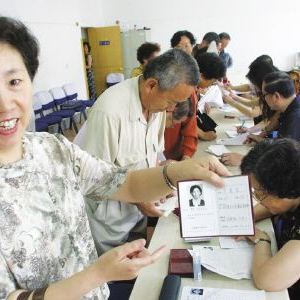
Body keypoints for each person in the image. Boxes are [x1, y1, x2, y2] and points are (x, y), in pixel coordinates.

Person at [0, 16, 231, 300]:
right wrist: (98, 273)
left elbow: (124, 182)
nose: (5, 103)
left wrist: (177, 172)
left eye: (14, 81)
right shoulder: (111, 111)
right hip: (103, 255)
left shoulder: (54, 148)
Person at [79, 49, 200, 255]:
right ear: (151, 85)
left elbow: (151, 158)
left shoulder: (157, 108)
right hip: (108, 226)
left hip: (137, 217)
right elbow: (91, 179)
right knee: (111, 279)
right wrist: (138, 197)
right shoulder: (110, 112)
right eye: (172, 102)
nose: (172, 109)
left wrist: (162, 181)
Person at [240, 138, 300, 299]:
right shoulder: (291, 197)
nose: (258, 199)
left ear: (283, 188)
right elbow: (272, 206)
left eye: (260, 193)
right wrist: (244, 221)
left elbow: (266, 280)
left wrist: (262, 240)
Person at [164, 30, 198, 160]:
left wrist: (186, 156)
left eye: (187, 45)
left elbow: (190, 126)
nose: (183, 50)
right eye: (178, 46)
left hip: (175, 156)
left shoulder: (188, 87)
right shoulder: (162, 81)